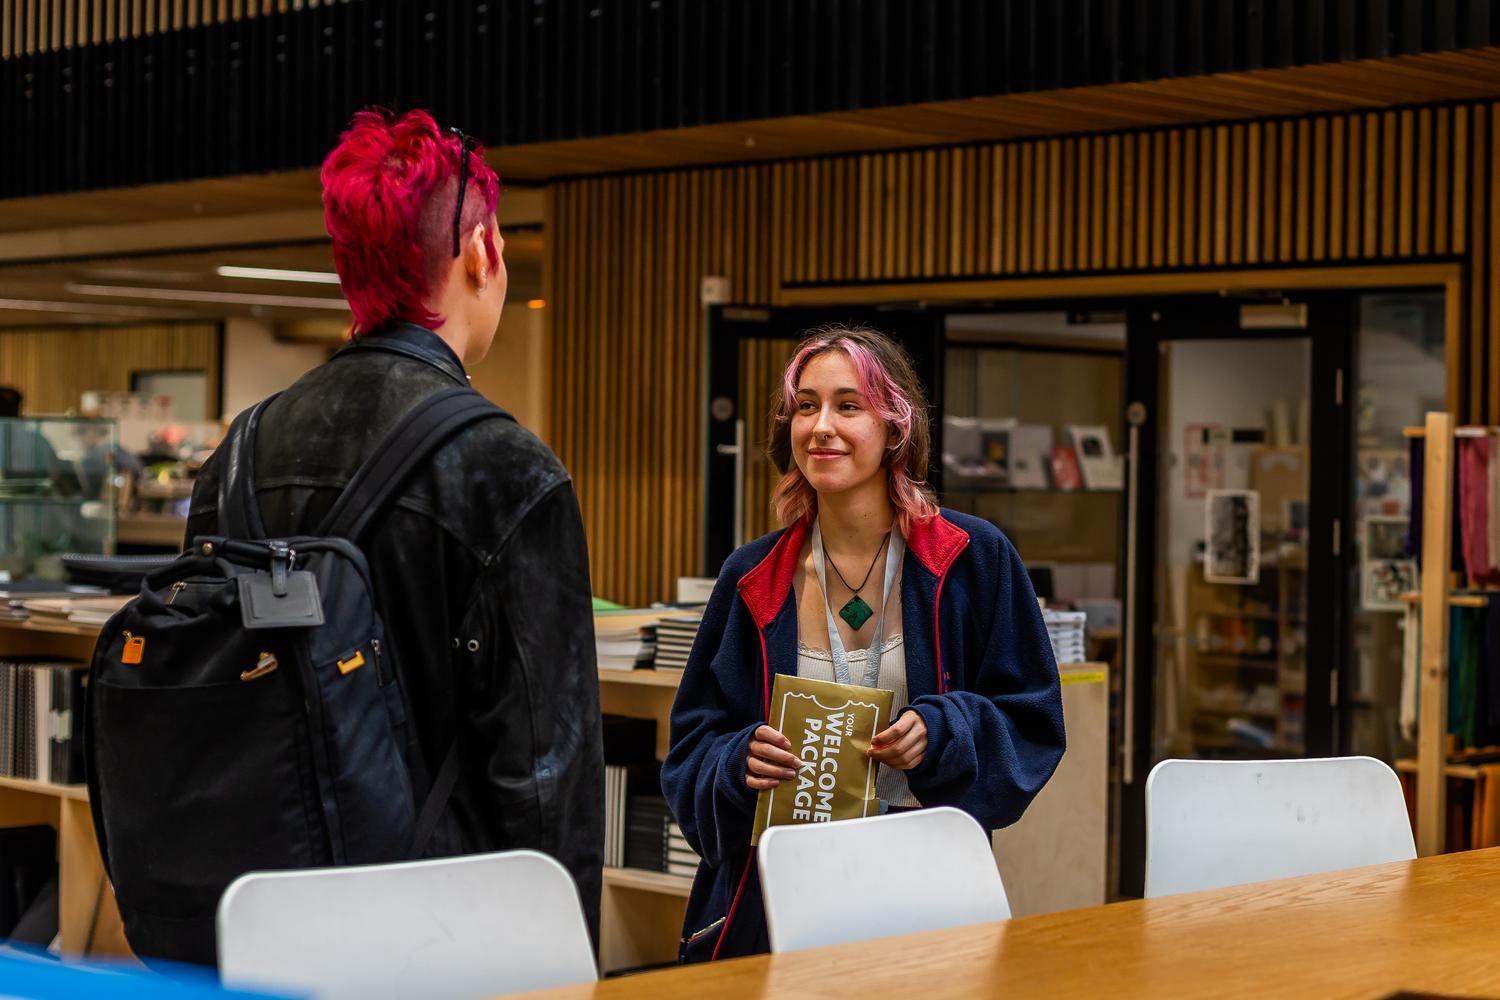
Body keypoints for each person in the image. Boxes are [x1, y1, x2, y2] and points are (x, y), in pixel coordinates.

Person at [185, 109, 605, 937]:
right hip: (438, 933)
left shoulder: (238, 453)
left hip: (260, 913)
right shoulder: (508, 469)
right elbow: (547, 776)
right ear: (481, 251)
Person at [662, 324, 1065, 961]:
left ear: (895, 427)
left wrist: (943, 731)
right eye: (805, 406)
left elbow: (1033, 720)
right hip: (778, 895)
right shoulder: (751, 578)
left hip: (928, 885)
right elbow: (689, 752)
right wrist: (738, 762)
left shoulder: (973, 560)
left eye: (849, 406)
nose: (822, 425)